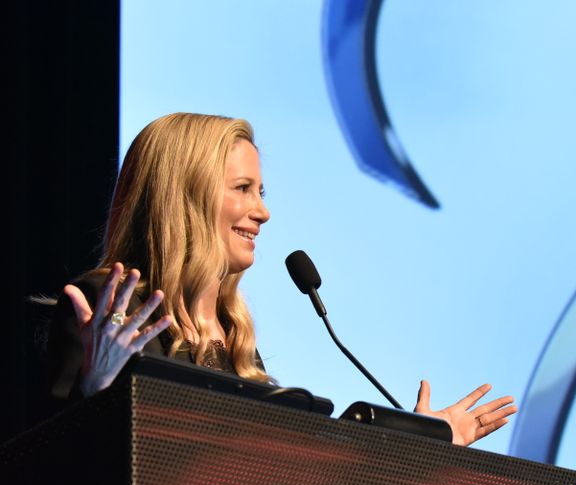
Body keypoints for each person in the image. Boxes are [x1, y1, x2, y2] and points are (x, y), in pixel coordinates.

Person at [45, 112, 515, 445]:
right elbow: (53, 478)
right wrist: (96, 392)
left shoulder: (235, 343)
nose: (263, 212)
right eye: (243, 189)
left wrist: (414, 445)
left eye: (262, 191)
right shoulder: (107, 308)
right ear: (185, 196)